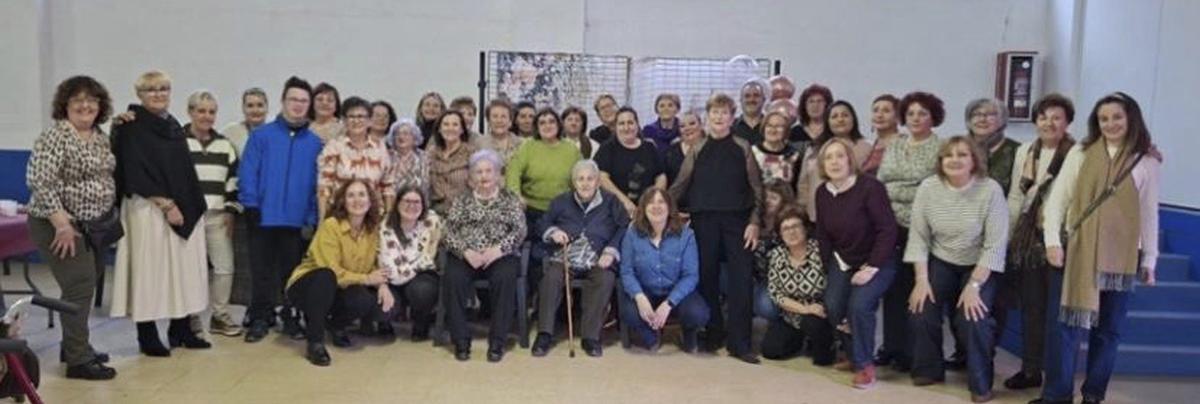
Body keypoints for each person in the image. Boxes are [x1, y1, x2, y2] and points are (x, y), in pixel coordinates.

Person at [1033, 92, 1161, 404]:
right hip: (1077, 250)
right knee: (1064, 328)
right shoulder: (1081, 152)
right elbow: (1059, 199)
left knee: (1108, 332)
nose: (1110, 123)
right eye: (1104, 119)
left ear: (1131, 118)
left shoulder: (1146, 159)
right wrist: (1052, 241)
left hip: (1122, 256)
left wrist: (1151, 258)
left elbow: (1148, 211)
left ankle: (1093, 394)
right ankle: (1057, 394)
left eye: (1117, 117)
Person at [110, 70, 211, 356]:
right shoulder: (131, 126)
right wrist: (166, 204)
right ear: (140, 94)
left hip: (182, 206)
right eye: (151, 90)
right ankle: (147, 335)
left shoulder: (172, 124)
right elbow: (132, 170)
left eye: (164, 89)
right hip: (148, 209)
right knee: (150, 271)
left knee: (181, 270)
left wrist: (185, 205)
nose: (159, 94)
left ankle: (180, 330)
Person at [25, 75, 118, 379]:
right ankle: (78, 361)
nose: (85, 105)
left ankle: (74, 345)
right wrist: (61, 223)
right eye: (77, 100)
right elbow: (41, 182)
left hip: (93, 226)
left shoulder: (100, 136)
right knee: (79, 286)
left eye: (91, 100)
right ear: (64, 105)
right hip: (60, 225)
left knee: (82, 287)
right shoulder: (56, 137)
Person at [906, 136, 1009, 403]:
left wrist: (974, 286)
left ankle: (980, 382)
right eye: (948, 155)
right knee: (921, 306)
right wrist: (921, 279)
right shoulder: (928, 188)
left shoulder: (990, 190)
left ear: (974, 160)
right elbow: (918, 237)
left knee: (973, 317)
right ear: (941, 161)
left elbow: (995, 245)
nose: (954, 159)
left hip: (979, 265)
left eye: (962, 154)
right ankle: (928, 369)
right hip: (942, 260)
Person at [669, 93, 765, 364]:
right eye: (715, 112)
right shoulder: (698, 148)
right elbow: (679, 185)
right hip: (704, 222)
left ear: (732, 117)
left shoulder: (743, 147)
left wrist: (755, 222)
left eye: (725, 112)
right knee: (707, 277)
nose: (719, 117)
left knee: (741, 281)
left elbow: (758, 189)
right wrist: (659, 207)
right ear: (707, 117)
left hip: (738, 223)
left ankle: (741, 343)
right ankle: (713, 333)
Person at [239, 76, 324, 343]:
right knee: (261, 271)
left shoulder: (314, 143)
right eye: (293, 100)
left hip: (295, 220)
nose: (298, 105)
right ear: (283, 102)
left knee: (291, 272)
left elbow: (316, 184)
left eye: (303, 101)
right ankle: (261, 317)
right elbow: (248, 171)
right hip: (263, 217)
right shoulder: (262, 136)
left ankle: (290, 316)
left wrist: (311, 217)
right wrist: (250, 204)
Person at [1002, 94, 1076, 391]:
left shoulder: (1078, 152)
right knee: (1031, 308)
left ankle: (1056, 378)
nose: (1049, 122)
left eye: (1056, 117)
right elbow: (1017, 196)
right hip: (1028, 239)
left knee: (1055, 313)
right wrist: (1008, 237)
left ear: (1068, 122)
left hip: (1062, 239)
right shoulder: (1025, 152)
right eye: (1043, 117)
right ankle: (1030, 369)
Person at [813, 137, 898, 389]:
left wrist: (872, 267)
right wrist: (830, 266)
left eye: (840, 156)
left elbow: (887, 230)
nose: (835, 162)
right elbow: (823, 235)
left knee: (859, 306)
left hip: (878, 259)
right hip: (843, 259)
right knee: (834, 304)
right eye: (828, 157)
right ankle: (853, 353)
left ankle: (864, 366)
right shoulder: (822, 192)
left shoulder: (870, 187)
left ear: (850, 159)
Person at [874, 91, 946, 372]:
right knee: (892, 290)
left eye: (923, 114)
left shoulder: (941, 147)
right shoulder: (895, 144)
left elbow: (932, 188)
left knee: (918, 293)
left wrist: (900, 192)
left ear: (933, 118)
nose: (916, 118)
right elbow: (881, 184)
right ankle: (892, 347)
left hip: (921, 228)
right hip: (890, 227)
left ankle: (914, 354)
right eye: (912, 113)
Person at [286, 180, 392, 366]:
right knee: (326, 277)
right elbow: (332, 270)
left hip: (342, 286)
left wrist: (382, 284)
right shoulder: (331, 226)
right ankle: (315, 342)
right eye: (351, 195)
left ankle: (336, 326)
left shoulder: (373, 230)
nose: (357, 200)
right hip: (309, 286)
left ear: (370, 201)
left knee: (365, 299)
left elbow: (376, 263)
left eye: (362, 195)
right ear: (342, 201)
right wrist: (367, 278)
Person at [532, 160, 629, 357]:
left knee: (605, 279)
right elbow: (542, 223)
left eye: (590, 179)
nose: (585, 184)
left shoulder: (611, 202)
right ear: (574, 182)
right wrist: (553, 232)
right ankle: (544, 333)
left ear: (597, 182)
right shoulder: (561, 201)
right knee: (551, 277)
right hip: (565, 256)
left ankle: (590, 337)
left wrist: (611, 250)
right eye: (580, 179)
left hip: (598, 256)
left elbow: (624, 227)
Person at [442, 149, 527, 362]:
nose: (484, 176)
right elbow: (448, 230)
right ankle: (461, 341)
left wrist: (498, 250)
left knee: (505, 277)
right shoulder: (462, 200)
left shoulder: (510, 199)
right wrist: (465, 251)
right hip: (467, 253)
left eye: (489, 171)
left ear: (498, 175)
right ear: (471, 178)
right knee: (453, 278)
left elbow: (520, 230)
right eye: (478, 172)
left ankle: (497, 342)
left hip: (500, 254)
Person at [183, 90, 243, 338]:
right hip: (188, 217)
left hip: (217, 216)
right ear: (191, 112)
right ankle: (191, 317)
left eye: (211, 111)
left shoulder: (225, 145)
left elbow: (233, 181)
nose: (207, 116)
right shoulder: (178, 143)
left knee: (224, 267)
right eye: (201, 111)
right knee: (192, 270)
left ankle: (220, 315)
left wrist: (231, 211)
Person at [619, 189, 708, 353]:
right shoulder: (631, 234)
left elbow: (691, 275)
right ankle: (651, 335)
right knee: (628, 312)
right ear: (643, 208)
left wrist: (668, 303)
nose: (656, 206)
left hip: (676, 292)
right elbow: (626, 271)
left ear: (669, 207)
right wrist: (639, 297)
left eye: (661, 202)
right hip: (645, 291)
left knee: (698, 313)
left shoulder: (686, 235)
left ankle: (688, 332)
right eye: (651, 202)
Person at [761, 209, 834, 366]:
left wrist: (814, 309)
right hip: (792, 315)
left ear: (806, 228)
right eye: (785, 229)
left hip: (820, 313)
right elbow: (776, 293)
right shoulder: (777, 255)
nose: (791, 232)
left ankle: (828, 346)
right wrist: (804, 309)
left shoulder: (820, 251)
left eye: (796, 226)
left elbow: (834, 286)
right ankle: (801, 340)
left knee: (820, 354)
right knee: (770, 350)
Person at [378, 185, 443, 341]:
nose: (412, 206)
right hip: (389, 276)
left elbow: (435, 251)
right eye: (407, 201)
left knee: (422, 291)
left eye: (417, 202)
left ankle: (421, 324)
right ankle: (385, 324)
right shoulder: (384, 225)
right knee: (385, 308)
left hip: (421, 273)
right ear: (397, 203)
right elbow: (377, 257)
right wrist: (382, 285)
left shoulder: (432, 222)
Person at [317, 96, 395, 218]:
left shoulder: (380, 148)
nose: (356, 120)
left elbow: (388, 186)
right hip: (340, 215)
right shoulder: (333, 147)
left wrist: (389, 217)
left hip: (373, 217)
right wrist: (323, 220)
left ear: (369, 121)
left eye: (361, 116)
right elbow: (324, 187)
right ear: (344, 120)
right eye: (351, 116)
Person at [796, 100, 873, 221]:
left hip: (856, 215)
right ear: (827, 122)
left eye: (845, 115)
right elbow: (803, 183)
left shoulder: (867, 147)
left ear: (854, 119)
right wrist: (803, 210)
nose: (840, 119)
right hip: (817, 215)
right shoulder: (815, 148)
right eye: (834, 116)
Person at [594, 107, 666, 217]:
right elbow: (602, 178)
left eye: (630, 122)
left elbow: (661, 176)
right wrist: (625, 202)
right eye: (621, 123)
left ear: (637, 124)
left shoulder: (650, 147)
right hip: (615, 211)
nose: (626, 127)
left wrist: (653, 200)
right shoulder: (607, 148)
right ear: (616, 127)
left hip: (648, 211)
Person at [751, 180, 796, 322]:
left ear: (784, 202)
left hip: (775, 281)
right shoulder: (753, 220)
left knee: (765, 306)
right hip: (751, 275)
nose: (768, 201)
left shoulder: (788, 225)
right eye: (766, 196)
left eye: (774, 198)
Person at [427, 111, 479, 213]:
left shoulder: (472, 153)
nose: (450, 128)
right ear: (439, 129)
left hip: (465, 212)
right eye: (446, 124)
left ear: (462, 130)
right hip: (436, 212)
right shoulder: (430, 153)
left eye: (455, 125)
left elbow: (478, 186)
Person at [751, 111, 803, 187]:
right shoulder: (751, 152)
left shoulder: (794, 155)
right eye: (769, 126)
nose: (773, 130)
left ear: (786, 130)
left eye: (779, 126)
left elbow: (797, 185)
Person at [220, 87, 269, 155]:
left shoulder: (276, 135)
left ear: (267, 108)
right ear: (243, 108)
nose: (255, 110)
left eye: (260, 105)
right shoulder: (230, 133)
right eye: (250, 106)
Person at [862, 94, 901, 175]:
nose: (879, 115)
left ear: (897, 117)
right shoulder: (868, 147)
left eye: (886, 111)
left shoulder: (905, 144)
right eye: (875, 110)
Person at [386, 119, 429, 193]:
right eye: (397, 134)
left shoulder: (424, 157)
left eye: (405, 133)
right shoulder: (387, 156)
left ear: (414, 137)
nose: (401, 137)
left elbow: (427, 185)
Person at [664, 109, 705, 186]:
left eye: (692, 123)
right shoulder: (671, 151)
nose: (687, 128)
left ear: (701, 125)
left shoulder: (710, 148)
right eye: (682, 126)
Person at [478, 98, 525, 164]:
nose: (499, 121)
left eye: (503, 116)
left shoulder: (523, 144)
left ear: (510, 121)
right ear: (488, 121)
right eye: (495, 116)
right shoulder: (479, 144)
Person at [732, 78, 768, 145]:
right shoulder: (730, 127)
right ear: (741, 100)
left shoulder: (771, 126)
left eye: (756, 95)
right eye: (747, 96)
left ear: (764, 99)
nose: (751, 99)